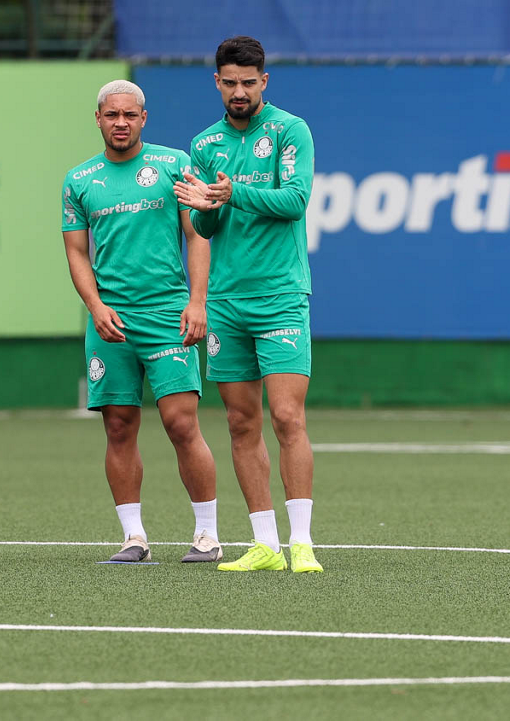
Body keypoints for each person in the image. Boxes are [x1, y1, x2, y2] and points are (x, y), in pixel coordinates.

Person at [173, 36, 323, 573]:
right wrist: (204, 206)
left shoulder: (289, 130)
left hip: (281, 295)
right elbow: (208, 228)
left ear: (264, 82)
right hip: (228, 300)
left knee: (287, 415)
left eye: (249, 82)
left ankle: (302, 542)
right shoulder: (205, 143)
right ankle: (264, 543)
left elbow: (295, 201)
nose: (239, 91)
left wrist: (232, 193)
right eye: (230, 82)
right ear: (217, 82)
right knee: (241, 422)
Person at [62, 79, 222, 564]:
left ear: (143, 119)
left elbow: (197, 238)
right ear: (98, 119)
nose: (121, 123)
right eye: (112, 115)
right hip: (110, 318)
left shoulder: (173, 165)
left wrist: (197, 302)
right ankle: (134, 538)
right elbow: (75, 251)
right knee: (118, 425)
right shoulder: (79, 180)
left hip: (167, 313)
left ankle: (207, 536)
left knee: (180, 422)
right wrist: (95, 307)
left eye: (129, 115)